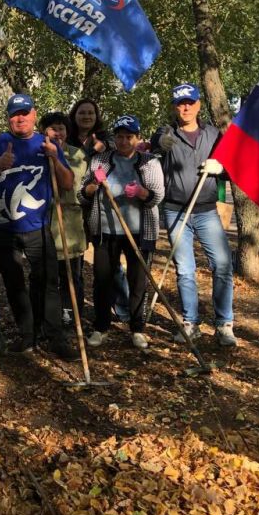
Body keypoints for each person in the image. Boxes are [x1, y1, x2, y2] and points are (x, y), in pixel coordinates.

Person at [0, 94, 75, 357]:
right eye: (14, 114)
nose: (19, 118)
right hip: (4, 229)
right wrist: (0, 164)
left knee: (47, 283)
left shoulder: (47, 144)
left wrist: (55, 158)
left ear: (34, 114)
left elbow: (67, 183)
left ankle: (55, 336)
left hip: (38, 227)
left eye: (24, 113)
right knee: (14, 282)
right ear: (8, 118)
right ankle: (27, 335)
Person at [151, 84, 237, 346]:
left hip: (207, 210)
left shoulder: (214, 134)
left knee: (222, 266)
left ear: (198, 104)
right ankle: (191, 323)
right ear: (175, 107)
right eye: (180, 103)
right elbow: (153, 147)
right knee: (185, 270)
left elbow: (232, 166)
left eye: (190, 102)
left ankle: (224, 324)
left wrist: (220, 168)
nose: (185, 107)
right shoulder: (166, 133)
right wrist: (158, 143)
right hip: (176, 211)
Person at [79, 115, 165, 349]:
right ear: (114, 138)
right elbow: (82, 195)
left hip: (139, 233)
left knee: (137, 281)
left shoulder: (150, 162)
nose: (124, 141)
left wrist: (141, 193)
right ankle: (101, 327)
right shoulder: (100, 161)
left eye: (129, 137)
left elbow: (158, 196)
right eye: (120, 136)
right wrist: (91, 188)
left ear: (138, 139)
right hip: (106, 231)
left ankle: (137, 328)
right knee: (103, 281)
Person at [67, 97, 129, 322]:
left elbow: (121, 158)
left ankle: (123, 307)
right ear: (74, 115)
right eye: (82, 112)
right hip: (74, 207)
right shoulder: (69, 138)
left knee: (110, 261)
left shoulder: (107, 139)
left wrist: (104, 149)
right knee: (75, 260)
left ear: (96, 116)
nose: (86, 117)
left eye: (90, 113)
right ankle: (75, 310)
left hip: (101, 207)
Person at [39, 111, 87, 327]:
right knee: (47, 275)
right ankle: (48, 316)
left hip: (68, 223)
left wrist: (55, 157)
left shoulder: (76, 155)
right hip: (44, 222)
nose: (57, 133)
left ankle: (72, 313)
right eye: (52, 128)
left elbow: (70, 184)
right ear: (43, 131)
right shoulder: (36, 152)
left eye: (61, 128)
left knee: (71, 274)